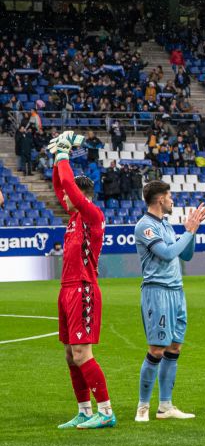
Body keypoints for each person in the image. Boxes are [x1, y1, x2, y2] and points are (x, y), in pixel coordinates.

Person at [49, 131, 116, 429]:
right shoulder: (75, 217)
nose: (63, 197)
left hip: (83, 289)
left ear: (82, 195)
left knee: (81, 353)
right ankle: (85, 410)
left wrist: (64, 154)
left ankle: (106, 411)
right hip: (67, 290)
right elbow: (59, 185)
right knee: (69, 354)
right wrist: (56, 159)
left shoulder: (91, 214)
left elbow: (67, 189)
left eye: (68, 193)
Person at [133, 181, 205, 422]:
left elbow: (185, 254)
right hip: (157, 292)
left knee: (174, 347)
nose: (172, 200)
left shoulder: (165, 224)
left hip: (176, 291)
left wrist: (192, 231)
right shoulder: (145, 226)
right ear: (159, 200)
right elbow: (166, 254)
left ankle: (165, 406)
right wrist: (188, 231)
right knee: (156, 349)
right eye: (170, 196)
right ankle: (143, 407)